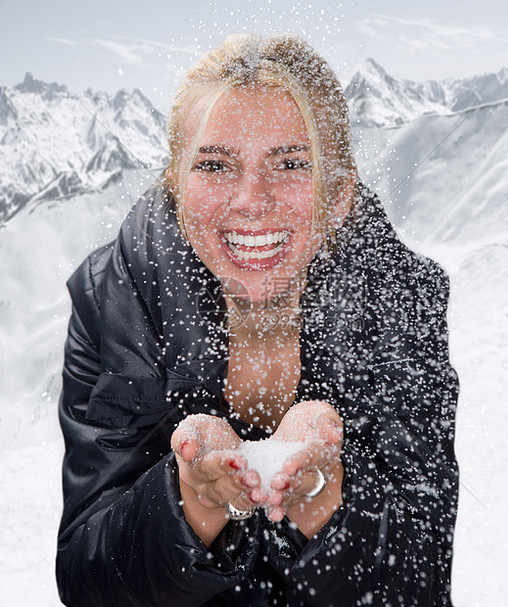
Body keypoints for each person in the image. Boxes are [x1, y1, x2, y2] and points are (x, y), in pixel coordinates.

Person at [56, 33, 459, 606]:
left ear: (339, 194)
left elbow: (421, 577)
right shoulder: (115, 299)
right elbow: (83, 577)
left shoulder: (398, 300)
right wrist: (189, 499)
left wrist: (328, 506)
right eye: (215, 164)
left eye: (291, 163)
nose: (250, 199)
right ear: (176, 185)